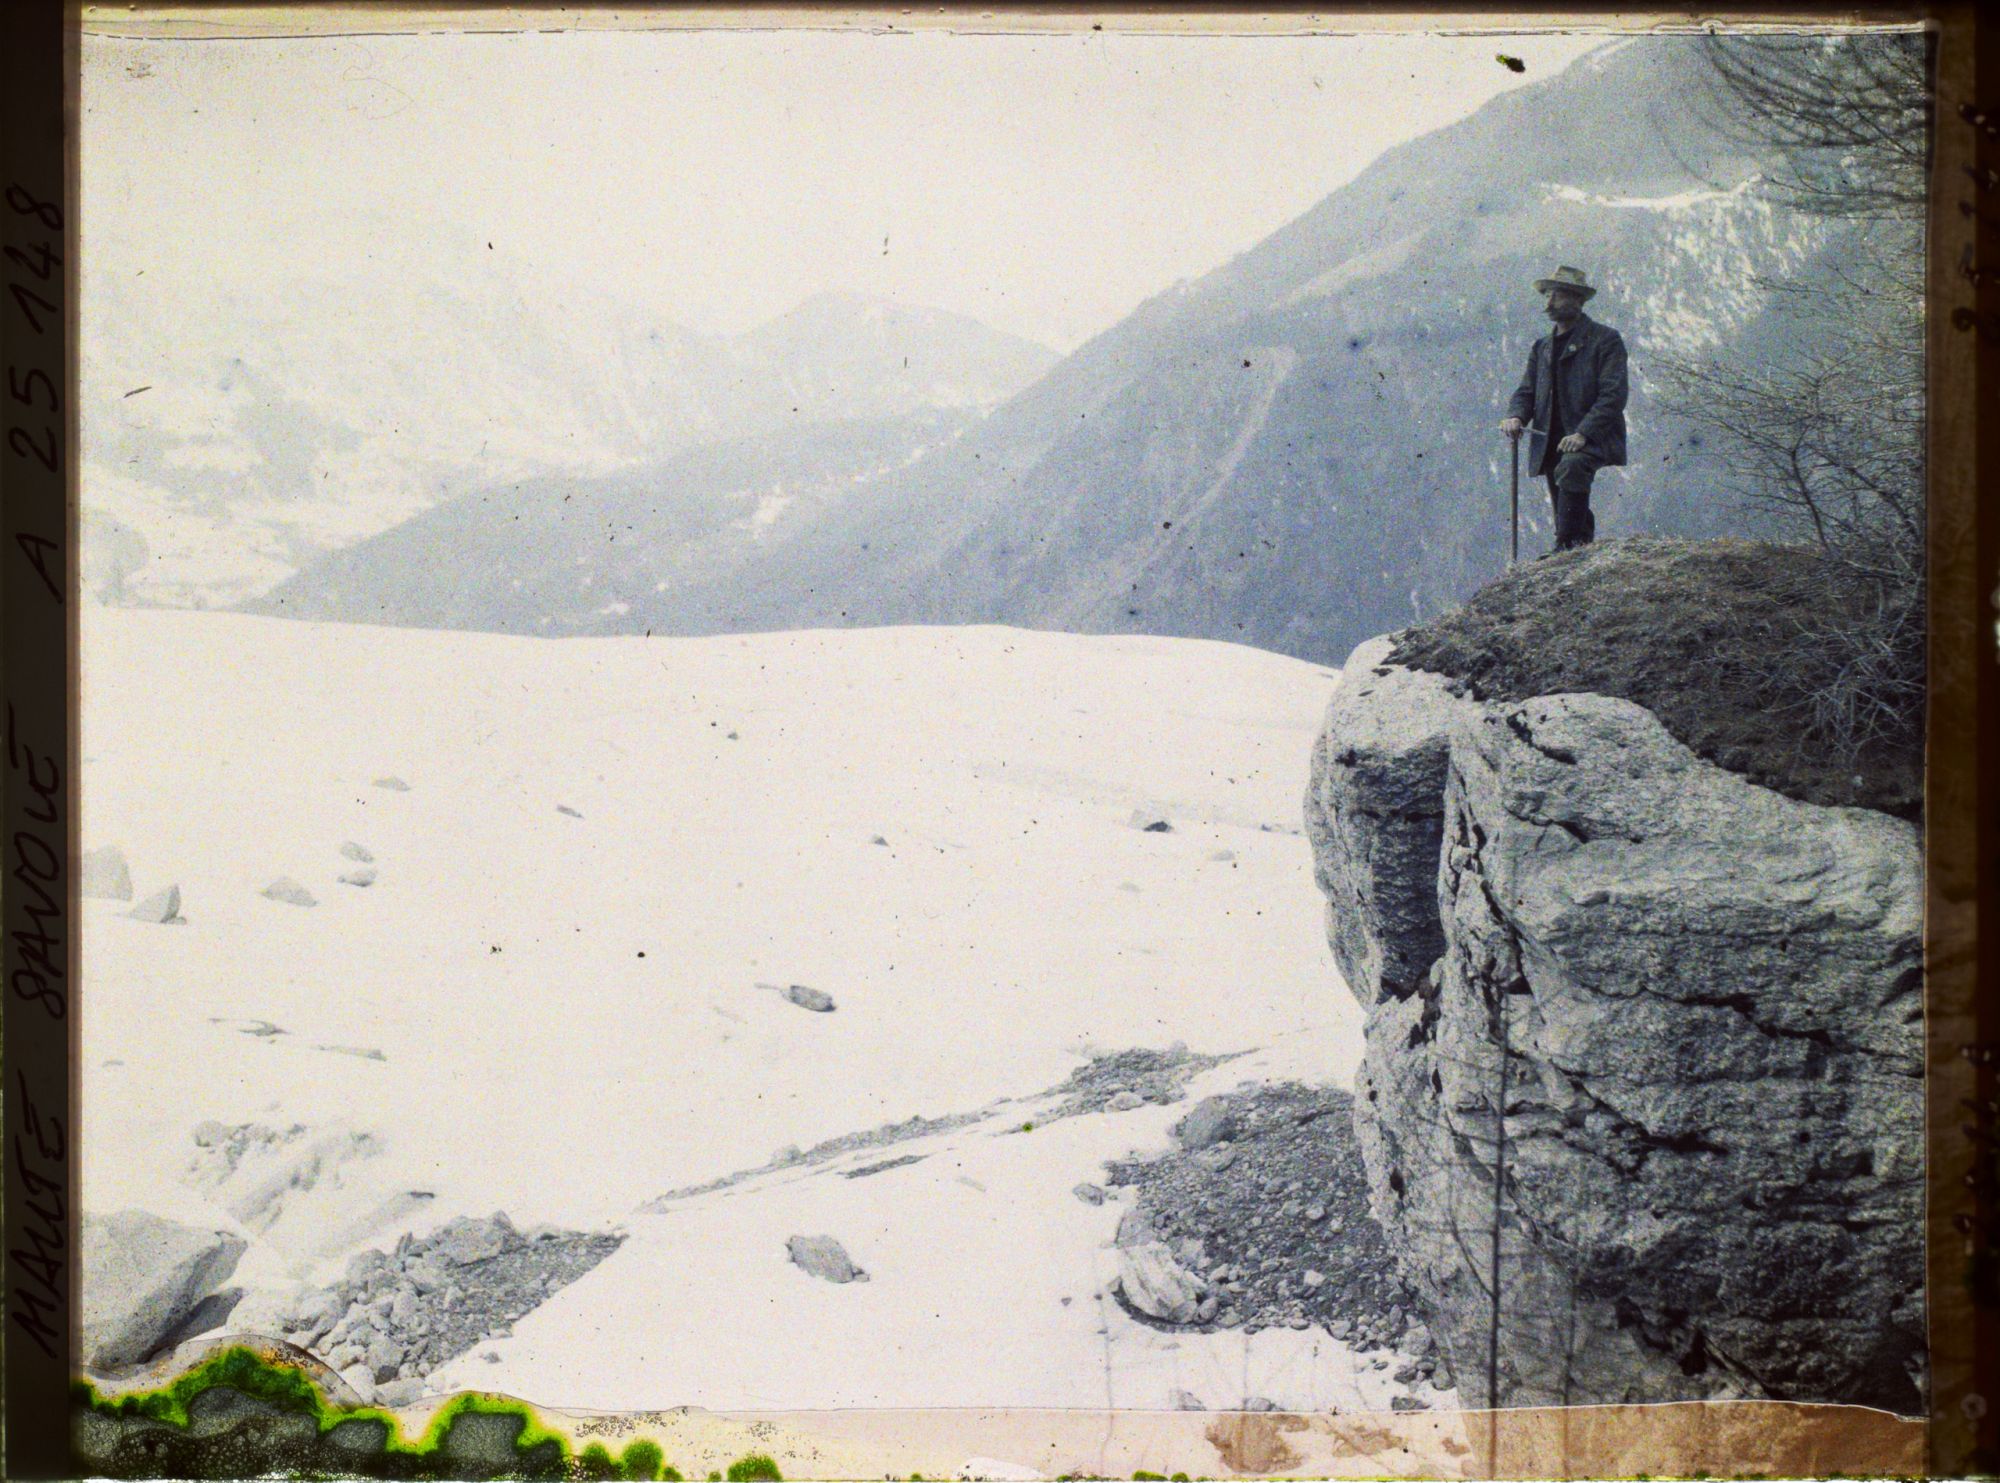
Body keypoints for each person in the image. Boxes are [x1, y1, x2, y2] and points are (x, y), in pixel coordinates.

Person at [1499, 266, 1628, 552]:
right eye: (1547, 296)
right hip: (1552, 437)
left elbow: (1613, 394)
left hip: (1594, 435)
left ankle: (1566, 545)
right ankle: (1578, 543)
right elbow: (1527, 390)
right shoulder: (1542, 347)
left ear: (1578, 300)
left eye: (1556, 296)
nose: (1548, 304)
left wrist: (1584, 433)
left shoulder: (1605, 340)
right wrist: (1516, 415)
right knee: (1562, 487)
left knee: (1571, 468)